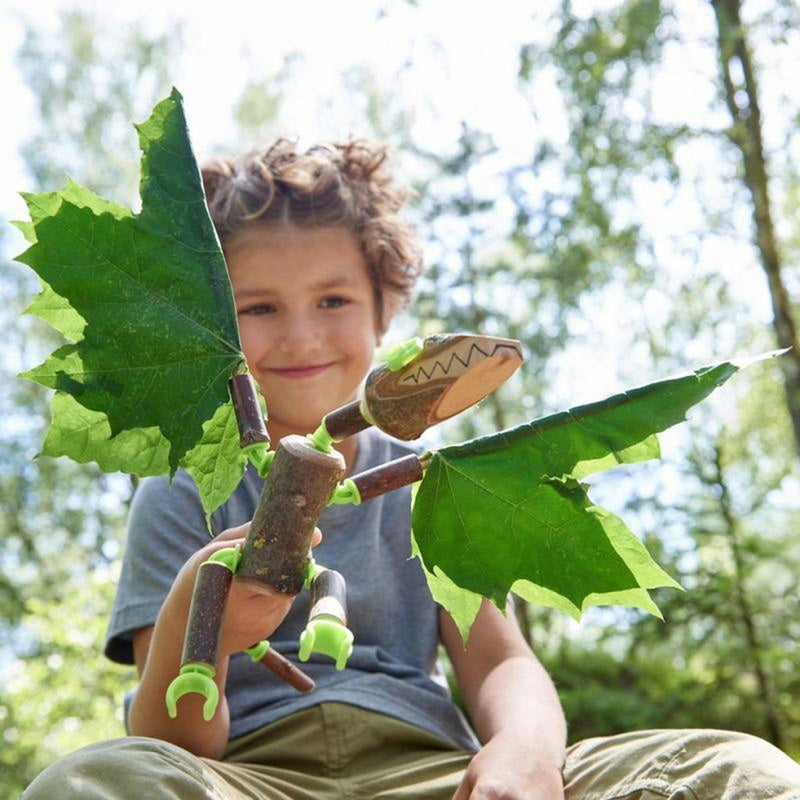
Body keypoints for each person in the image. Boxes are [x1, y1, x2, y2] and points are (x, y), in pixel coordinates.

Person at [23, 139, 800, 800]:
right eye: (258, 308)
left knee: (734, 771)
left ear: (383, 315)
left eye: (332, 300)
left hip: (434, 770)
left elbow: (500, 660)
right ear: (212, 325)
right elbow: (178, 746)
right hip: (250, 779)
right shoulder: (180, 493)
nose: (299, 336)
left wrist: (524, 752)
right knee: (91, 781)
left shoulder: (425, 482)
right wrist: (203, 625)